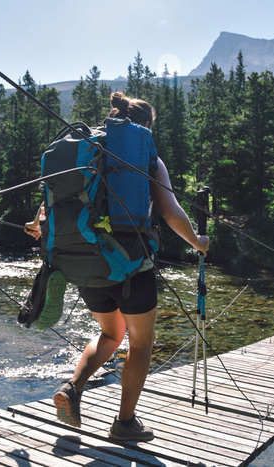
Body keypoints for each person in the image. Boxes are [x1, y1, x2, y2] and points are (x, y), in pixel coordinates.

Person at [25, 91, 209, 442]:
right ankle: (124, 424)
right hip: (131, 266)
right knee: (140, 344)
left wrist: (37, 224)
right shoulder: (145, 157)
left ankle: (73, 388)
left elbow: (51, 205)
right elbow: (170, 212)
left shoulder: (87, 153)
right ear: (147, 126)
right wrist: (198, 243)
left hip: (84, 265)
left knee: (111, 333)